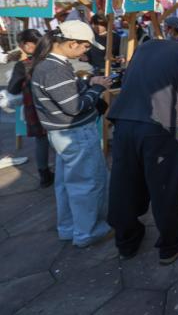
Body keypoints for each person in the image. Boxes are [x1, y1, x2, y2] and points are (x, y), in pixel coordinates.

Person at [106, 19, 178, 264]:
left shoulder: (145, 46)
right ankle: (171, 245)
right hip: (158, 124)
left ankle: (126, 242)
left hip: (123, 120)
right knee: (166, 187)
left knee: (124, 183)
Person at [30, 21, 113, 247]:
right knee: (88, 183)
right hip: (75, 133)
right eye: (85, 47)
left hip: (62, 134)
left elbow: (66, 96)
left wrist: (88, 82)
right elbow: (74, 107)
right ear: (72, 44)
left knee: (68, 184)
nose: (86, 51)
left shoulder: (48, 64)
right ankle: (88, 232)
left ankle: (70, 228)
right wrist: (97, 89)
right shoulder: (55, 68)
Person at [7, 29, 54, 187]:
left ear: (27, 45)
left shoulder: (24, 65)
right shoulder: (52, 59)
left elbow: (12, 89)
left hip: (35, 108)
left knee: (41, 141)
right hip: (55, 107)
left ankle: (44, 175)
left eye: (21, 45)